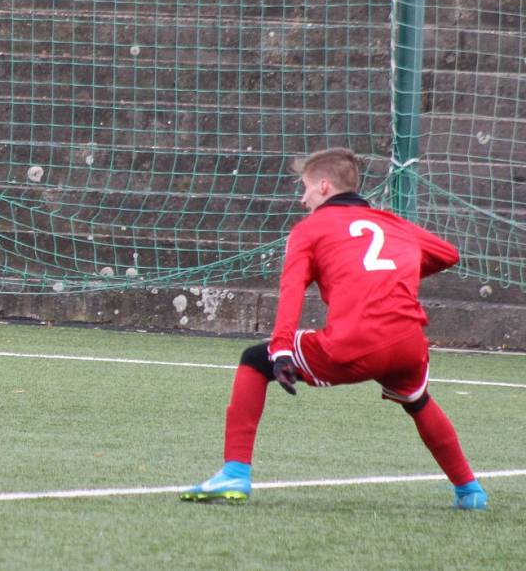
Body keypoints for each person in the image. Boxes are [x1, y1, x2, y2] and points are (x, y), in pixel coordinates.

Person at [180, 147, 487, 510]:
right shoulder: (391, 222)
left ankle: (234, 473)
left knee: (253, 360)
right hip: (408, 342)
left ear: (324, 186)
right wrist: (389, 276)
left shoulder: (309, 230)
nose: (302, 199)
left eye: (306, 188)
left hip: (355, 342)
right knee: (417, 400)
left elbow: (291, 291)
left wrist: (280, 350)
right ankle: (470, 490)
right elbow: (449, 254)